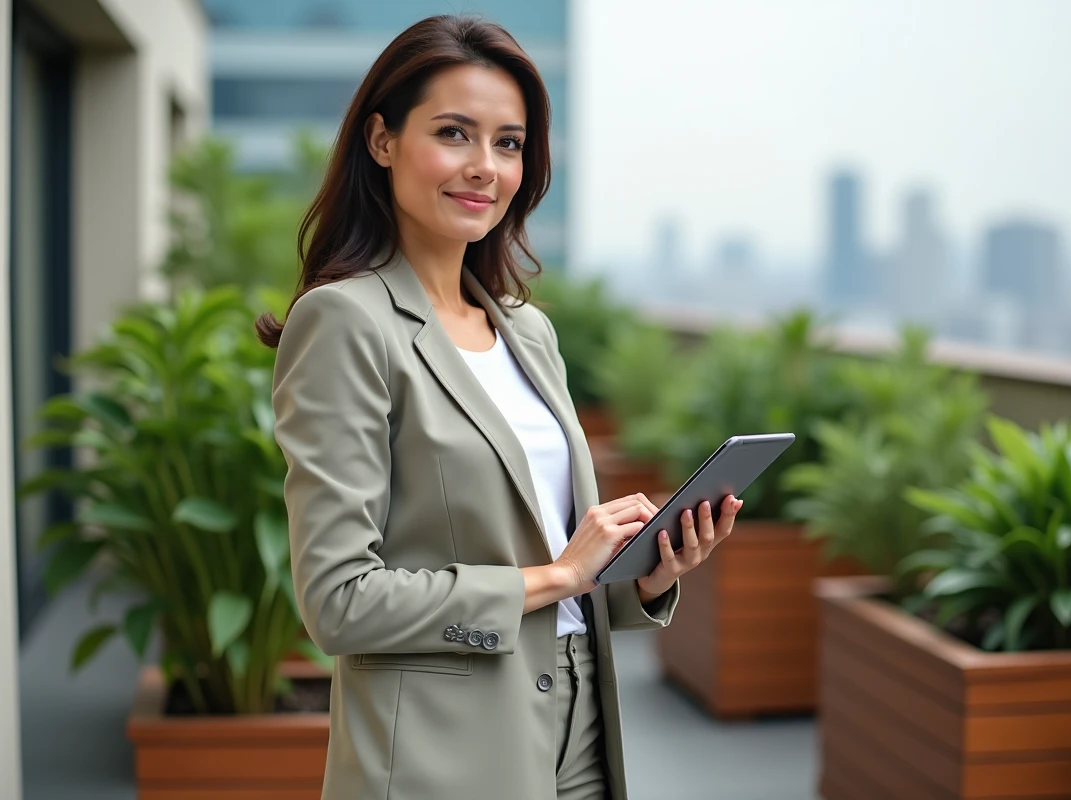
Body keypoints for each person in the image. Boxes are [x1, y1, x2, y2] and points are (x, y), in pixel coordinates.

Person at [260, 14, 744, 800]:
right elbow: (338, 602)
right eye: (454, 133)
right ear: (381, 141)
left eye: (509, 143)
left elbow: (560, 565)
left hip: (582, 721)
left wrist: (647, 576)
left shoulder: (528, 331)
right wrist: (554, 576)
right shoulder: (346, 322)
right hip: (439, 752)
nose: (484, 167)